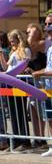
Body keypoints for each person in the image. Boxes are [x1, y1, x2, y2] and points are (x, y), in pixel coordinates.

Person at [30, 19, 52, 156]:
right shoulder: (49, 48)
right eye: (47, 24)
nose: (47, 26)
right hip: (49, 88)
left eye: (50, 24)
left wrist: (39, 73)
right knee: (49, 118)